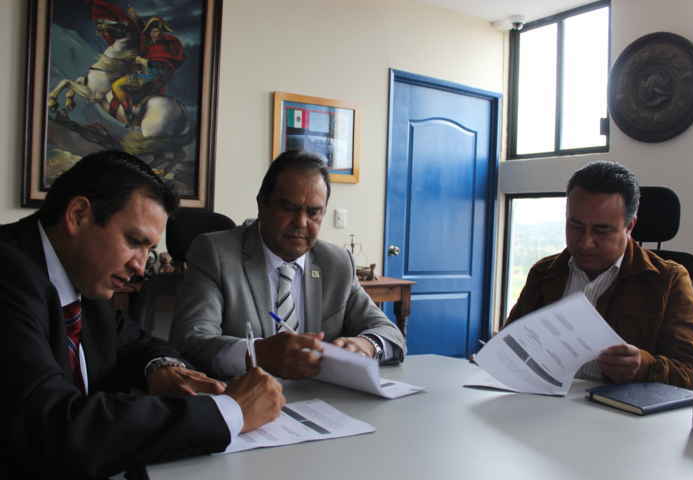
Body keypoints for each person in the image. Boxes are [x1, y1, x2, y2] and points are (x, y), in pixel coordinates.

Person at [0, 151, 285, 478]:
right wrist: (230, 411)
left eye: (149, 250)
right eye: (135, 241)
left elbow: (136, 343)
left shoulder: (84, 277)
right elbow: (55, 428)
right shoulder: (8, 275)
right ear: (78, 215)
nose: (140, 266)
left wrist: (163, 369)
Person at [171, 150, 407, 380]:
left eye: (313, 212)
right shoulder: (215, 254)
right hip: (244, 396)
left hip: (323, 398)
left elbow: (391, 334)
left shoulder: (337, 263)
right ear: (262, 204)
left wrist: (367, 345)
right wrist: (259, 354)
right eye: (289, 208)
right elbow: (191, 341)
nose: (301, 222)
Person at [504, 161, 693, 389]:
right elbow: (508, 345)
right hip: (540, 401)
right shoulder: (544, 273)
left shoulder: (669, 281)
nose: (585, 242)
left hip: (618, 409)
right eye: (576, 226)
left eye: (601, 230)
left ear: (629, 227)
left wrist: (644, 366)